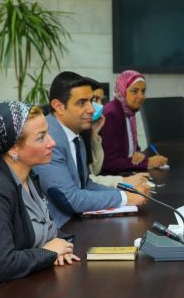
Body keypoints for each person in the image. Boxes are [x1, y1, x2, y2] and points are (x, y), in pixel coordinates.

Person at [0, 102, 80, 298]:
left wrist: (60, 246)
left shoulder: (29, 174)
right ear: (14, 148)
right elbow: (2, 265)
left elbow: (45, 230)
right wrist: (48, 253)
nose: (52, 142)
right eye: (41, 137)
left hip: (25, 287)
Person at [34, 72, 149, 227]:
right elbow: (71, 199)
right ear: (59, 106)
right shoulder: (48, 139)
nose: (91, 109)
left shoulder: (76, 134)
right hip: (57, 231)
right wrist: (125, 198)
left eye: (91, 101)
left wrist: (127, 193)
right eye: (82, 103)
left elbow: (86, 184)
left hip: (75, 221)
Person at [82, 78, 149, 188]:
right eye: (95, 99)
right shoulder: (112, 113)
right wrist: (124, 181)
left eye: (101, 100)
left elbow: (94, 170)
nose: (100, 105)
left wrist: (94, 135)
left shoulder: (129, 114)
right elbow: (90, 177)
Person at [101, 70, 168, 175]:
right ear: (122, 90)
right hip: (113, 179)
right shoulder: (112, 114)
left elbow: (131, 149)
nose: (141, 96)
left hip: (125, 173)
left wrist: (137, 153)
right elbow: (108, 163)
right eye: (134, 91)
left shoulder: (128, 111)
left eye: (143, 91)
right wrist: (147, 162)